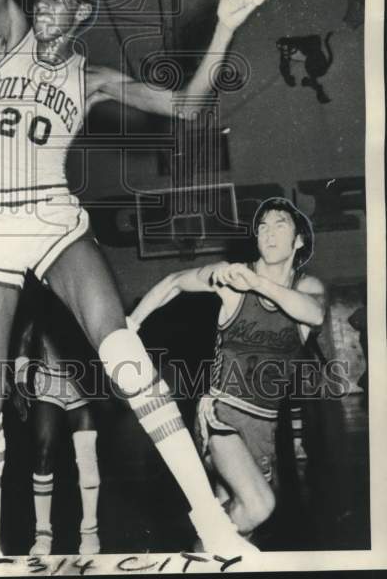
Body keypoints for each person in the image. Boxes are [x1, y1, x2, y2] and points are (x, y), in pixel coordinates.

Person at [0, 0, 273, 557]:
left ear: (79, 16)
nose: (44, 0)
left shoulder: (89, 76)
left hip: (50, 218)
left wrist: (224, 28)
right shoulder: (8, 35)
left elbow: (185, 108)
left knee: (125, 358)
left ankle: (213, 525)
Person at [130, 198, 326, 541]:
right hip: (221, 415)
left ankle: (200, 553)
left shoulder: (306, 287)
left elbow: (315, 314)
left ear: (298, 241)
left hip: (264, 426)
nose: (269, 232)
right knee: (259, 506)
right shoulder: (232, 278)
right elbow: (175, 280)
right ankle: (197, 548)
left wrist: (257, 284)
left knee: (236, 528)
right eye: (262, 226)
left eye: (280, 224)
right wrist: (130, 325)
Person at [12, 283, 101, 556]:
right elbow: (25, 341)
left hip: (80, 384)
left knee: (87, 457)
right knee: (43, 452)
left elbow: (101, 337)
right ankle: (43, 533)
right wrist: (19, 385)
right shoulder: (40, 302)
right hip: (48, 383)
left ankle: (90, 530)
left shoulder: (84, 294)